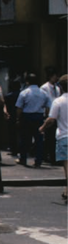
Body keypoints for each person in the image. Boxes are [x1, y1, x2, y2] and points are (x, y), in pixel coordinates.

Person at [39, 74, 68, 203]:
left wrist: (43, 127)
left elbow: (51, 119)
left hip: (64, 136)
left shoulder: (58, 101)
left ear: (60, 87)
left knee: (67, 166)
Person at [15, 73, 51, 168]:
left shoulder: (24, 92)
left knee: (25, 138)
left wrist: (18, 118)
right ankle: (38, 160)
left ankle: (23, 158)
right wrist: (45, 116)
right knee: (39, 139)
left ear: (27, 82)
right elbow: (48, 107)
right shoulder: (43, 93)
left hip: (27, 116)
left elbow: (19, 107)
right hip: (39, 116)